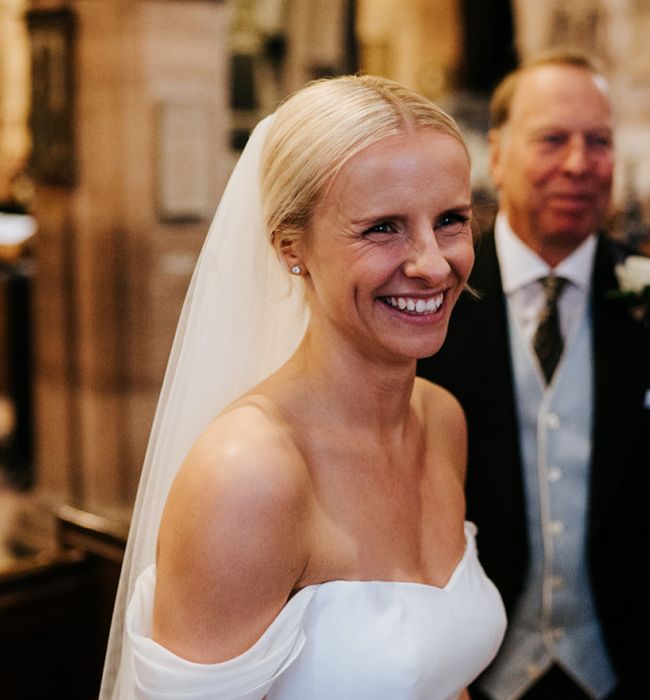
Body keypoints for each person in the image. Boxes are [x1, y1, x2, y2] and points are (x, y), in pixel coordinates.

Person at [99, 74, 506, 700]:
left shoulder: (441, 418)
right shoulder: (250, 475)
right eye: (382, 228)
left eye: (450, 220)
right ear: (292, 246)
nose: (432, 263)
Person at [419, 50, 650, 699]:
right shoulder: (433, 305)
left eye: (598, 141)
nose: (579, 164)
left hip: (633, 667)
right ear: (498, 153)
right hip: (477, 674)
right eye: (553, 140)